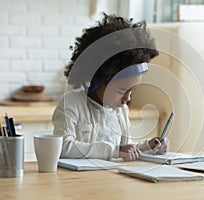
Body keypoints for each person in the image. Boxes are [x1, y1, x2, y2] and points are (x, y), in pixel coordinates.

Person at [52, 13, 169, 161]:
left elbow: (125, 149)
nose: (127, 98)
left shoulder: (120, 111)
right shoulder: (71, 104)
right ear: (95, 81)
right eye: (121, 91)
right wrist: (113, 151)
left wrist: (149, 147)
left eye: (132, 90)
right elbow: (63, 147)